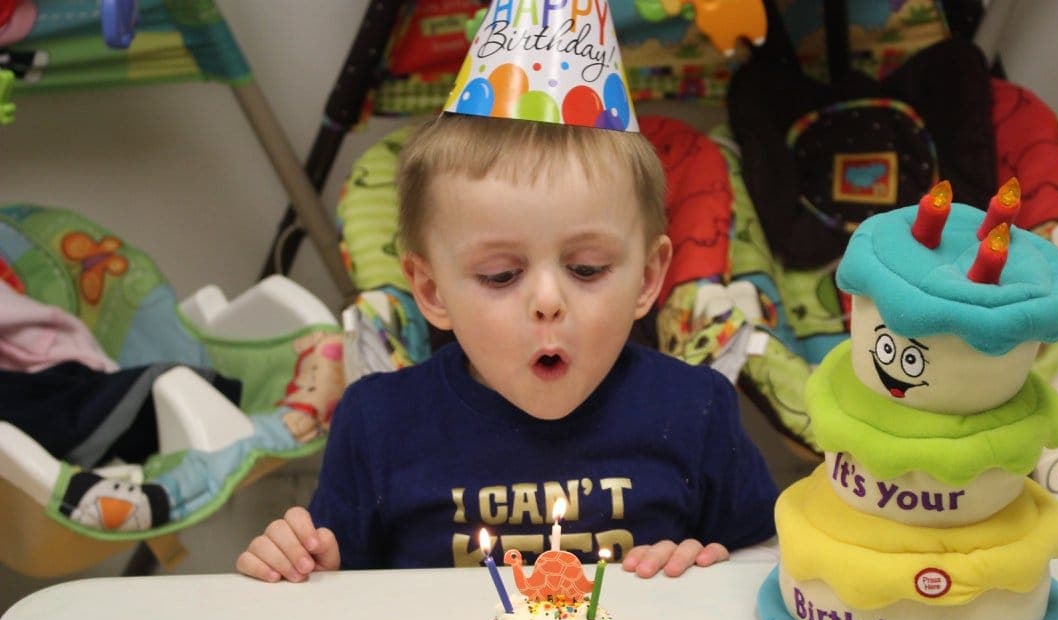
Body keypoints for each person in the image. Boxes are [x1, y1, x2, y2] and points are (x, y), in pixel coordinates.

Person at [236, 113, 778, 583]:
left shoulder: (695, 408)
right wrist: (304, 566)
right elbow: (342, 604)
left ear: (646, 277)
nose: (547, 301)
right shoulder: (379, 422)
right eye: (501, 275)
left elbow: (766, 569)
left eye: (586, 268)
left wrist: (706, 566)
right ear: (430, 290)